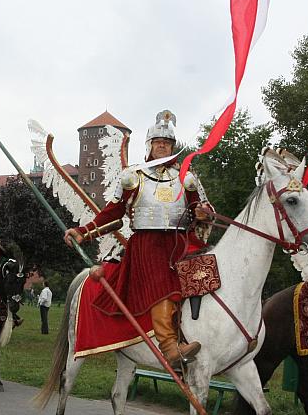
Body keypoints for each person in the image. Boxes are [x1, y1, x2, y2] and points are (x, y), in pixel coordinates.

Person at [64, 110, 212, 368]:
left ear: (173, 147)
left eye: (166, 143)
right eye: (157, 142)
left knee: (205, 275)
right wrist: (84, 231)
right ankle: (170, 347)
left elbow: (202, 210)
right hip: (146, 244)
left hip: (179, 242)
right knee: (162, 283)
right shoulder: (134, 177)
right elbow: (113, 213)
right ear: (149, 146)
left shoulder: (186, 178)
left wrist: (202, 213)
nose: (162, 146)